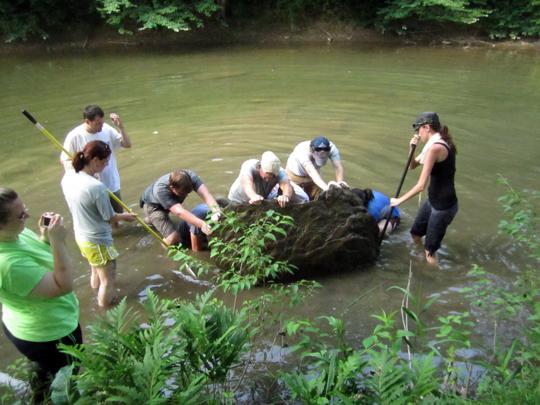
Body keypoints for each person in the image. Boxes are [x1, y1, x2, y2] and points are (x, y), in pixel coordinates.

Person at [0, 187, 81, 400]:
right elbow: (63, 285)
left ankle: (38, 395)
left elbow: (37, 255)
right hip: (50, 333)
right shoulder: (9, 264)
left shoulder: (12, 233)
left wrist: (44, 237)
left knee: (43, 371)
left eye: (24, 208)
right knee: (66, 382)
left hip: (24, 326)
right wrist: (58, 240)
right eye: (20, 215)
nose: (27, 215)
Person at [61, 141, 136, 307]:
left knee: (95, 271)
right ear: (94, 160)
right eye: (105, 161)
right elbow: (109, 217)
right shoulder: (97, 187)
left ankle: (96, 297)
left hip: (81, 236)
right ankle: (105, 310)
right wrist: (126, 216)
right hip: (97, 240)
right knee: (108, 280)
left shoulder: (68, 177)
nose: (107, 164)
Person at [390, 112, 458, 266]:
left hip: (443, 208)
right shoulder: (433, 144)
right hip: (433, 200)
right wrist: (412, 148)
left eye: (418, 129)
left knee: (431, 251)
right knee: (415, 234)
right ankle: (420, 260)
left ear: (427, 127)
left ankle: (434, 279)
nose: (418, 134)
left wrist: (399, 201)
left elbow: (420, 186)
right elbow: (412, 166)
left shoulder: (435, 148)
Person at [60, 105, 132, 213]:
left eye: (102, 122)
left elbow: (127, 144)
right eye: (98, 124)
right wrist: (85, 169)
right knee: (100, 219)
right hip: (90, 187)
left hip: (111, 183)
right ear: (87, 121)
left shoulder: (106, 129)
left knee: (118, 218)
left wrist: (121, 128)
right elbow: (64, 160)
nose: (101, 126)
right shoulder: (75, 136)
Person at [140, 169, 222, 250]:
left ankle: (150, 221)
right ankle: (163, 251)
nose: (186, 196)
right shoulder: (161, 190)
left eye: (188, 192)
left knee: (157, 221)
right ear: (172, 188)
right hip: (154, 207)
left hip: (168, 201)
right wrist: (202, 224)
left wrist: (216, 211)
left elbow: (205, 194)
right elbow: (179, 212)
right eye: (182, 193)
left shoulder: (191, 177)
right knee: (174, 237)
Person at [228, 151, 309, 206]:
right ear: (259, 167)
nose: (269, 178)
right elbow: (247, 183)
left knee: (298, 196)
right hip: (238, 200)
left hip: (260, 199)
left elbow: (286, 185)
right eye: (267, 174)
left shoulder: (280, 171)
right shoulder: (249, 166)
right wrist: (253, 196)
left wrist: (286, 196)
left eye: (273, 176)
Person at [286, 136, 348, 200]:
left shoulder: (332, 148)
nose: (321, 158)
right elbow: (312, 173)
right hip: (294, 175)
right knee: (294, 198)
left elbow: (338, 167)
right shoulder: (302, 151)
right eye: (319, 157)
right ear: (312, 150)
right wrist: (327, 189)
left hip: (312, 177)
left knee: (316, 198)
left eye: (323, 157)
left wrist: (340, 183)